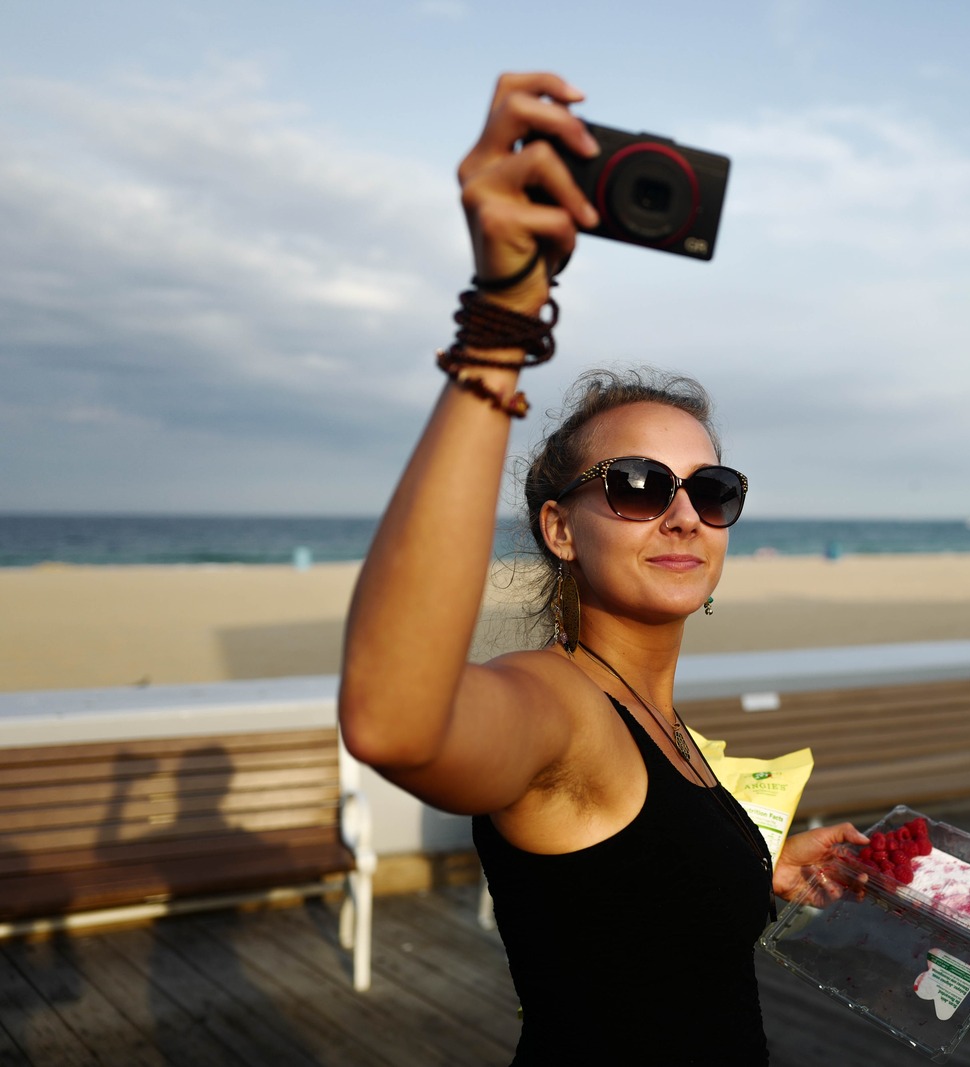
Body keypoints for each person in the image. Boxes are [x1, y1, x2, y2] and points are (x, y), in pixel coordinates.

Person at [337, 72, 865, 1065]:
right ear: (560, 527)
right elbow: (392, 721)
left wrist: (755, 868)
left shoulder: (659, 721)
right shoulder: (559, 706)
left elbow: (628, 899)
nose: (680, 511)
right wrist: (503, 317)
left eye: (710, 490)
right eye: (633, 482)